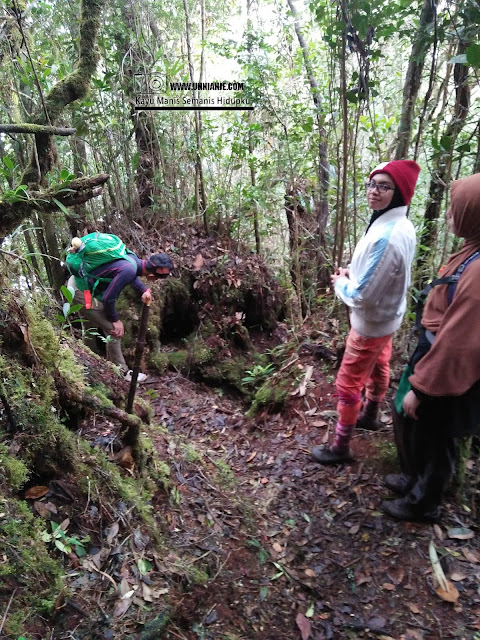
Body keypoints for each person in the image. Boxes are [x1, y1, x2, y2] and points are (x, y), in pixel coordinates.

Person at [382, 172, 480, 523]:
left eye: (457, 210)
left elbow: (459, 340)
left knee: (439, 436)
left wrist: (422, 389)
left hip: (448, 368)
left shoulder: (478, 269)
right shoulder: (471, 250)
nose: (450, 216)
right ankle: (413, 479)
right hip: (433, 352)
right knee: (416, 424)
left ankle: (423, 503)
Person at [312, 160, 420, 464]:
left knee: (347, 383)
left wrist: (340, 282)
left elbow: (360, 295)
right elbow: (380, 275)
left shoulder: (388, 237)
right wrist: (354, 273)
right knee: (380, 364)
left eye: (384, 186)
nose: (374, 191)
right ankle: (371, 414)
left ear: (399, 192)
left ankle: (340, 447)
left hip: (370, 323)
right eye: (372, 184)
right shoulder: (397, 223)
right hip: (387, 318)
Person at [68, 252, 172, 381]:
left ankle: (88, 360)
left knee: (91, 322)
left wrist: (143, 289)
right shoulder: (129, 269)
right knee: (114, 331)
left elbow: (130, 276)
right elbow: (108, 299)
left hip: (79, 283)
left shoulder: (133, 259)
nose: (154, 280)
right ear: (151, 275)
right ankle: (121, 371)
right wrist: (116, 321)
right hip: (82, 292)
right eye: (156, 279)